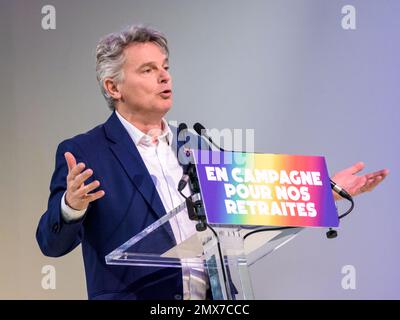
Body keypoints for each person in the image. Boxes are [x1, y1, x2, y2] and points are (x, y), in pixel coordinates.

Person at [36, 24, 389, 300]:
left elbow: (250, 205)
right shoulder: (86, 152)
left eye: (165, 67)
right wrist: (71, 206)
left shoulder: (195, 144)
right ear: (113, 87)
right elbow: (51, 244)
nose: (164, 76)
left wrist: (329, 191)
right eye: (147, 70)